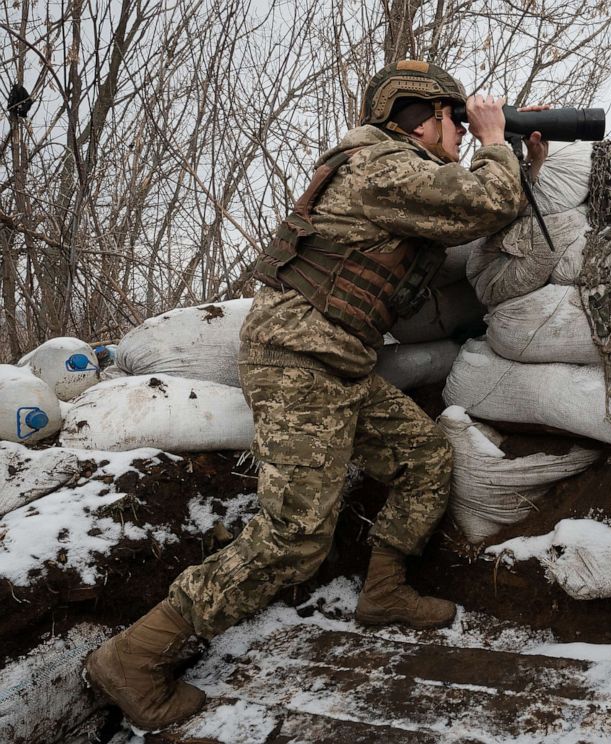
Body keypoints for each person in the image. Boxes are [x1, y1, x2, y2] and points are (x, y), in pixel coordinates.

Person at [84, 59, 549, 731]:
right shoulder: (378, 164)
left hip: (337, 365)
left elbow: (471, 215)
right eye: (455, 121)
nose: (461, 134)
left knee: (424, 455)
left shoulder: (399, 174)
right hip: (300, 361)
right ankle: (133, 656)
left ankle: (383, 593)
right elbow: (478, 202)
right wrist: (497, 140)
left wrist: (520, 166)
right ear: (423, 118)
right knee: (294, 537)